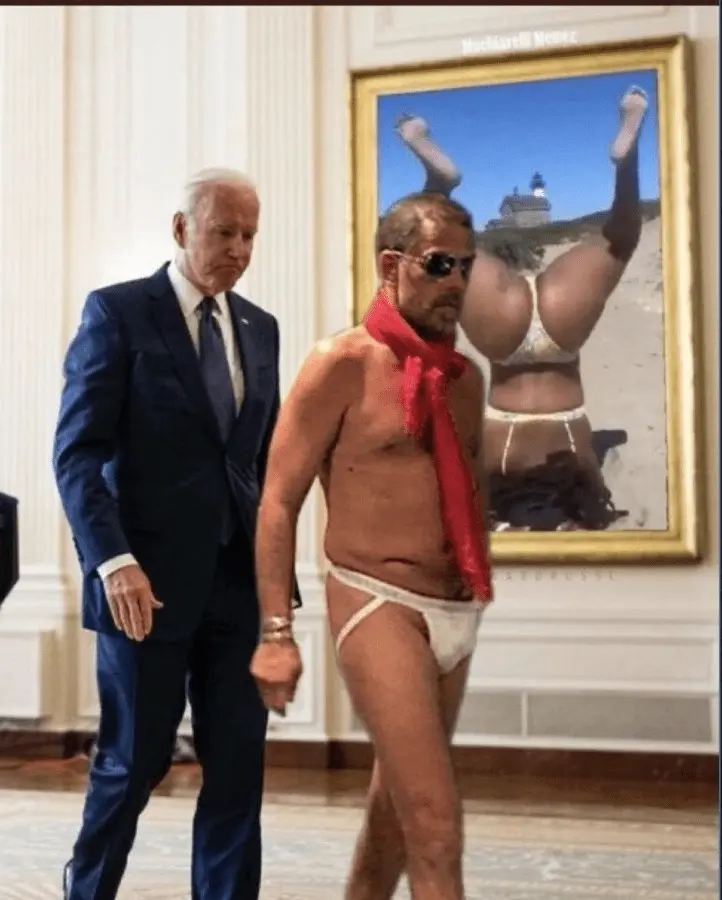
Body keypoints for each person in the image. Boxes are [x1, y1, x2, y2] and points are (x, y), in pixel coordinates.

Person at [53, 167, 300, 900]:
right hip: (144, 586)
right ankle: (86, 890)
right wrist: (112, 560)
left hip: (239, 585)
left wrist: (276, 591)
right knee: (134, 761)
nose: (240, 249)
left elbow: (261, 463)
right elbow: (77, 454)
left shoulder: (260, 327)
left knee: (237, 769)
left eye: (250, 234)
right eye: (224, 232)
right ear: (181, 228)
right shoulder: (119, 312)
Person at [250, 192, 494, 900]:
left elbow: (463, 494)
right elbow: (278, 501)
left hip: (455, 612)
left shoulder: (464, 380)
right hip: (377, 601)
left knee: (393, 825)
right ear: (392, 265)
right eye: (439, 264)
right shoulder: (342, 363)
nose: (456, 282)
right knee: (436, 829)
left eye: (466, 267)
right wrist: (276, 633)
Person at [395, 86, 649, 531]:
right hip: (527, 358)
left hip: (535, 355)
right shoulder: (541, 470)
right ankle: (624, 164)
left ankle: (444, 185)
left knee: (618, 239)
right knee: (617, 239)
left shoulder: (569, 467)